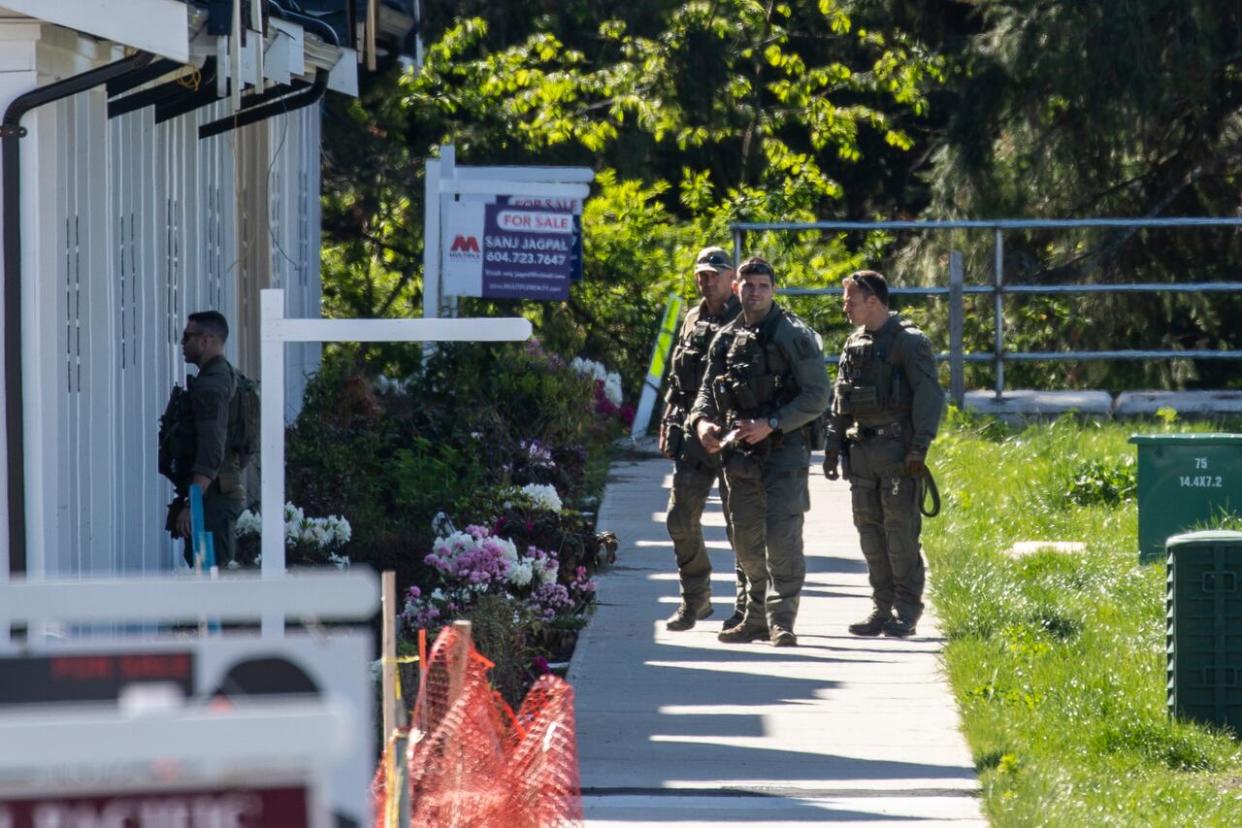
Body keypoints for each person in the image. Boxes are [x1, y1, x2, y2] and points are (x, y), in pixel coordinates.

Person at [690, 257, 830, 647]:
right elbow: (705, 390)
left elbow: (819, 395)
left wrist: (772, 423)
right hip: (739, 454)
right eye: (747, 285)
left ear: (773, 290)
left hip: (783, 451)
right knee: (744, 540)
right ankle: (753, 619)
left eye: (762, 286)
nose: (754, 293)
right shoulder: (726, 337)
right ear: (736, 288)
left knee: (782, 538)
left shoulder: (792, 335)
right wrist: (703, 423)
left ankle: (781, 620)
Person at [824, 270, 945, 638]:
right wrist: (832, 446)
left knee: (900, 534)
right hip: (862, 453)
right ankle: (881, 607)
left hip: (897, 453)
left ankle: (906, 610)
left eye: (851, 300)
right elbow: (840, 398)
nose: (845, 307)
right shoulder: (853, 343)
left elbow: (929, 397)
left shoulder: (908, 342)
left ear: (872, 301)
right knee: (870, 534)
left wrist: (918, 448)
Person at [659, 246, 744, 631]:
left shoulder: (748, 316)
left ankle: (748, 607)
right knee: (680, 519)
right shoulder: (692, 317)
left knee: (739, 525)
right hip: (691, 436)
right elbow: (678, 376)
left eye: (714, 274)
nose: (706, 281)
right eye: (701, 276)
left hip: (733, 436)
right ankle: (695, 600)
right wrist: (667, 417)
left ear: (732, 279)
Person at [161, 310, 246, 569]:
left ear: (205, 340)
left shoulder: (212, 385)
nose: (182, 343)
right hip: (215, 493)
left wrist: (192, 504)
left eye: (187, 336)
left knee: (210, 575)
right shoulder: (224, 376)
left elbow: (210, 450)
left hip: (211, 500)